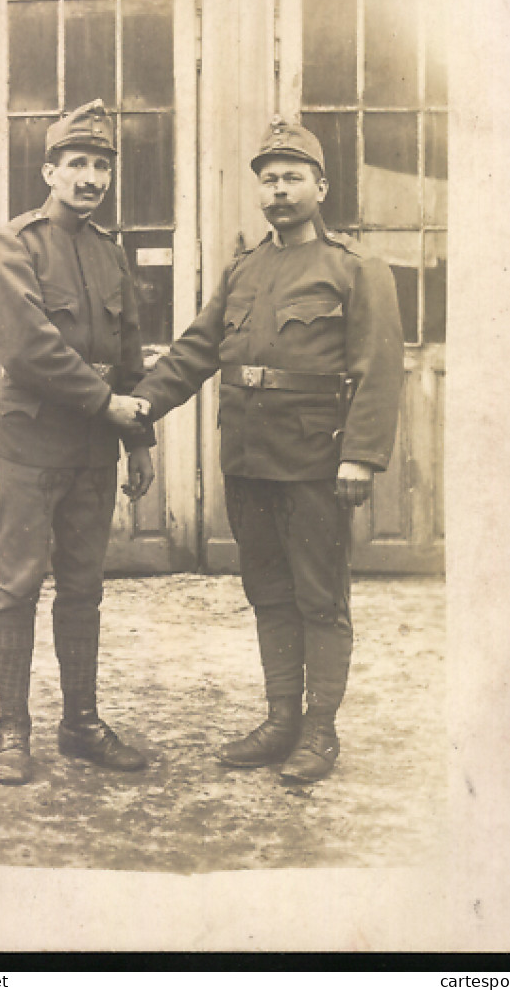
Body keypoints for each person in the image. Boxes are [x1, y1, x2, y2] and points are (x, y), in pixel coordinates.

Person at [127, 115, 404, 784]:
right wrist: (139, 404)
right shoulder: (243, 271)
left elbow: (378, 367)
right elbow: (196, 350)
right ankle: (281, 720)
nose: (279, 190)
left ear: (321, 186)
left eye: (293, 178)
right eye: (269, 179)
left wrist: (359, 455)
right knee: (268, 592)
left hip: (315, 461)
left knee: (320, 597)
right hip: (248, 461)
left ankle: (319, 729)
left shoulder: (355, 270)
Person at [0, 98, 155, 786]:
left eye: (102, 165)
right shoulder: (14, 245)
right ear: (49, 170)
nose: (90, 177)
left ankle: (80, 722)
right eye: (77, 163)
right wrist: (106, 403)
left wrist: (138, 440)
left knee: (84, 589)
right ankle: (12, 730)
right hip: (28, 444)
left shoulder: (111, 252)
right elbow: (29, 349)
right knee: (17, 587)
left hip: (93, 452)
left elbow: (131, 350)